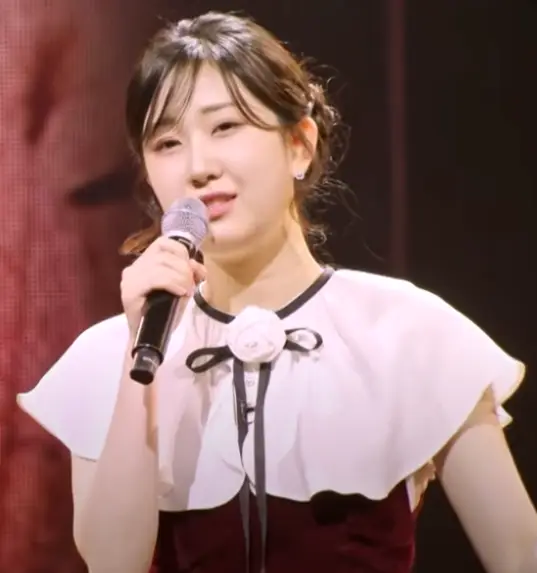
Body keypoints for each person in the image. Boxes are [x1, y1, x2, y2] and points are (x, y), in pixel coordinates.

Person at [17, 10, 537, 573]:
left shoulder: (408, 332)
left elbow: (519, 554)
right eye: (167, 142)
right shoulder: (109, 356)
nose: (198, 166)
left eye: (225, 127)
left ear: (299, 144)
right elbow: (113, 563)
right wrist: (137, 363)